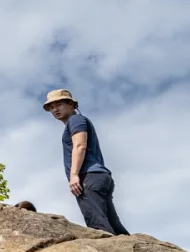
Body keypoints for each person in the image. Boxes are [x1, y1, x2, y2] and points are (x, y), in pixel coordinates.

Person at [43, 89, 128, 236]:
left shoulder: (76, 120)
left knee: (98, 224)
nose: (55, 110)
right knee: (113, 225)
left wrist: (74, 175)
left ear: (71, 105)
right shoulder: (77, 121)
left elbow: (80, 145)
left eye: (58, 104)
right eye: (51, 107)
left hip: (89, 177)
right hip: (98, 176)